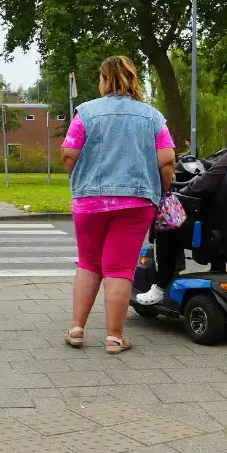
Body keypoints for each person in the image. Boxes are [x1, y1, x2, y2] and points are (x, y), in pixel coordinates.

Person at [61, 56, 175, 355]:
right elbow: (167, 160)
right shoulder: (153, 117)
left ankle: (77, 329)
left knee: (88, 263)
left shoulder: (85, 113)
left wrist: (83, 179)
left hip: (89, 201)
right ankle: (113, 337)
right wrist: (161, 188)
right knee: (120, 269)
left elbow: (69, 153)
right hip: (137, 202)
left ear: (105, 79)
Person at [137, 111, 227, 305]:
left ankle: (160, 286)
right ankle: (216, 269)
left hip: (218, 231)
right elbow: (219, 169)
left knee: (167, 224)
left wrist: (182, 191)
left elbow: (207, 183)